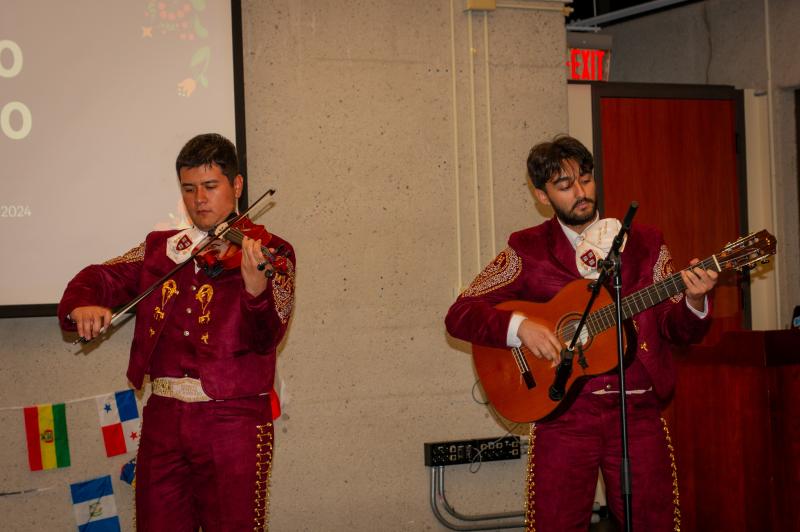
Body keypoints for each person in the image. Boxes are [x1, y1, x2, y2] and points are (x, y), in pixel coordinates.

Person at [445, 135, 717, 532]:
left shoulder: (645, 242)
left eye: (585, 179)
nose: (580, 192)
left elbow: (674, 328)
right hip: (564, 416)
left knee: (652, 523)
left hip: (636, 408)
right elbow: (461, 313)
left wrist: (694, 302)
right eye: (564, 185)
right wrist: (521, 329)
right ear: (541, 195)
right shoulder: (528, 250)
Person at [58, 133, 295, 531]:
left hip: (233, 421)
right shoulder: (163, 248)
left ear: (236, 186)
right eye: (189, 189)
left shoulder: (272, 251)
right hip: (164, 418)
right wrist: (80, 305)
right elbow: (97, 276)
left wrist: (255, 291)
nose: (199, 199)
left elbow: (268, 336)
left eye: (210, 186)